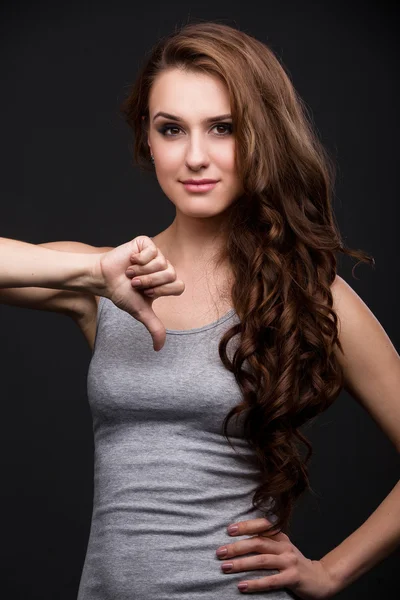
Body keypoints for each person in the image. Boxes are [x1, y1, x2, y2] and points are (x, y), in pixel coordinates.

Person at [1, 20, 399, 600]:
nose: (194, 157)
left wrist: (331, 571)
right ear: (146, 138)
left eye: (223, 128)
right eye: (171, 129)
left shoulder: (311, 294)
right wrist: (94, 274)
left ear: (261, 134)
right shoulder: (108, 279)